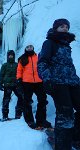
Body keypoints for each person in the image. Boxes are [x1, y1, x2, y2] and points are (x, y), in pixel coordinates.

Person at [38, 18, 80, 150]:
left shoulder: (66, 46)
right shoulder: (49, 43)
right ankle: (62, 146)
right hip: (58, 83)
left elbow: (69, 65)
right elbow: (42, 62)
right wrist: (47, 79)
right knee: (65, 114)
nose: (65, 28)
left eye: (66, 26)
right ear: (55, 28)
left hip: (72, 82)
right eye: (61, 26)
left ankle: (75, 137)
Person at [17, 45, 51, 129]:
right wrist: (19, 80)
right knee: (27, 101)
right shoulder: (22, 58)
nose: (29, 48)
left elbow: (42, 67)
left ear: (33, 48)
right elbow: (19, 70)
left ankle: (41, 120)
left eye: (31, 47)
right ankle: (29, 121)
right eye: (28, 47)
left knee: (42, 99)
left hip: (39, 82)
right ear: (25, 49)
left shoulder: (38, 57)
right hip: (27, 82)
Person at [0, 50, 24, 121]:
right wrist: (0, 84)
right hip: (7, 85)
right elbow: (1, 75)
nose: (11, 56)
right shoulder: (4, 65)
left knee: (21, 97)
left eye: (12, 55)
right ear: (7, 56)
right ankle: (5, 116)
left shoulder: (17, 65)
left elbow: (20, 73)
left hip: (16, 84)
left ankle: (18, 114)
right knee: (6, 99)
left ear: (14, 56)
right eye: (9, 55)